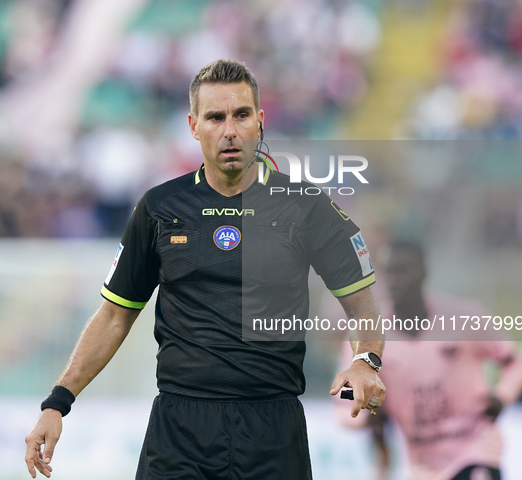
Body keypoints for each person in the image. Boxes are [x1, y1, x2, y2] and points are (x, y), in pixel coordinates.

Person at [24, 59, 385, 480]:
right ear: (194, 126)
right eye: (215, 117)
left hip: (273, 427)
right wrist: (57, 402)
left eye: (241, 115)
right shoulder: (160, 208)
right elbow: (115, 315)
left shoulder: (307, 207)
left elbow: (364, 307)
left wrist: (365, 361)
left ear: (260, 121)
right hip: (180, 431)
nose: (229, 130)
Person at [336, 241, 522, 480]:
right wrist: (370, 413)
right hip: (424, 467)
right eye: (388, 272)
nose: (394, 280)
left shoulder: (464, 316)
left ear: (422, 273)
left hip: (474, 448)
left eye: (402, 270)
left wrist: (502, 395)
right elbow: (344, 400)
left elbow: (514, 362)